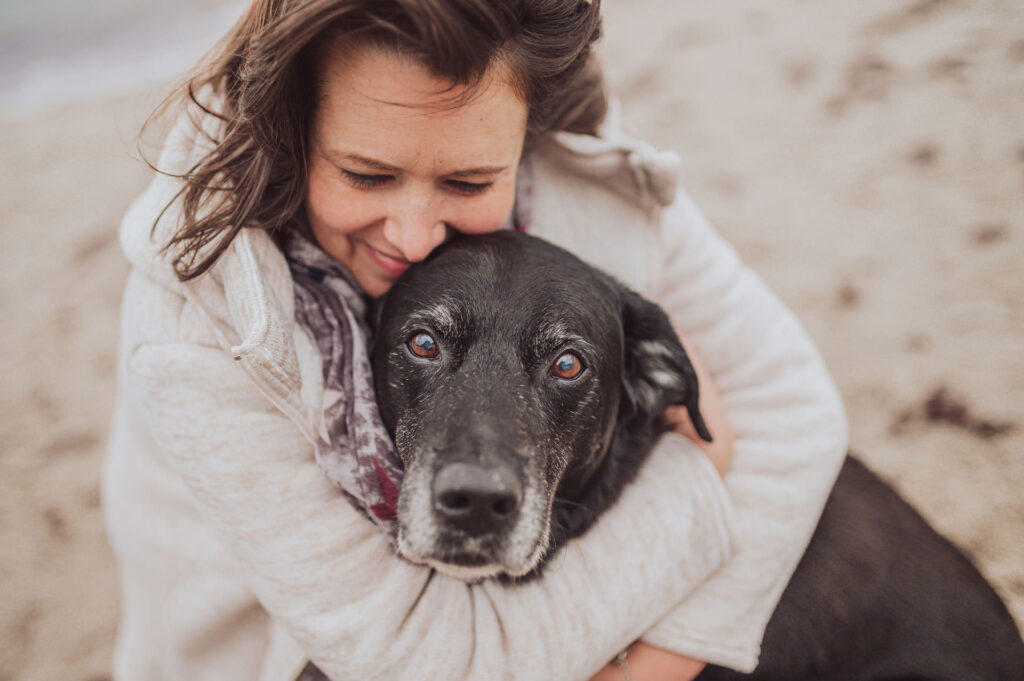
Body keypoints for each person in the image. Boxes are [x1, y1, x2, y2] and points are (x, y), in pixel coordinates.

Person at [102, 1, 848, 680]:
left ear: (528, 136)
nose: (415, 236)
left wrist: (666, 658)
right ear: (294, 131)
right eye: (367, 174)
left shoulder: (569, 155)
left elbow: (797, 413)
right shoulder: (190, 335)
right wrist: (702, 473)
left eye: (467, 182)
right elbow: (426, 663)